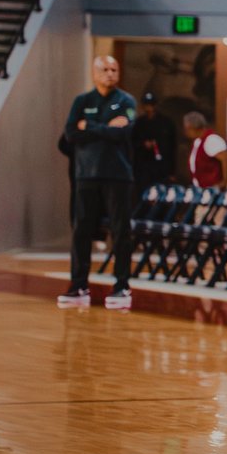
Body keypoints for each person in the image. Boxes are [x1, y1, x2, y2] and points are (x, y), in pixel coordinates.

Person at [58, 55, 137, 309]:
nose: (110, 74)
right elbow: (70, 134)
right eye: (105, 69)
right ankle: (78, 285)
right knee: (82, 229)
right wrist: (105, 128)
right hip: (86, 174)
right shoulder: (82, 101)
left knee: (120, 230)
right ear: (94, 73)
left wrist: (89, 126)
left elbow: (123, 132)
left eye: (114, 69)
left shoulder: (126, 101)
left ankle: (122, 286)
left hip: (118, 175)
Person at [132, 92, 176, 194]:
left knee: (163, 196)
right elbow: (133, 143)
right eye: (147, 105)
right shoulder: (139, 123)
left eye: (152, 105)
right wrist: (143, 144)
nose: (149, 108)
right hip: (143, 167)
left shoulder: (166, 123)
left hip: (162, 166)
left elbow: (172, 148)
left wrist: (172, 171)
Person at [183, 112, 227, 189]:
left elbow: (225, 158)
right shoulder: (198, 141)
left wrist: (224, 181)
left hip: (212, 188)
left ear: (194, 127)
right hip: (201, 187)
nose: (186, 132)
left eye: (187, 129)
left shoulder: (211, 139)